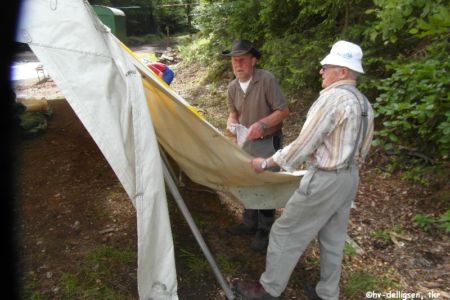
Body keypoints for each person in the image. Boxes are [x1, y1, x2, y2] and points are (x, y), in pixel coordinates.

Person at [235, 40, 374, 300]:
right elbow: (363, 148)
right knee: (333, 240)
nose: (321, 71)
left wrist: (266, 163)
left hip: (325, 179)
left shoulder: (333, 99)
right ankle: (327, 293)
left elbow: (303, 144)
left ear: (343, 72)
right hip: (350, 178)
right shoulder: (364, 104)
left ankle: (268, 289)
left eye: (327, 67)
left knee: (285, 232)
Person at [222, 39, 290, 253]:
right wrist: (231, 123)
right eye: (234, 60)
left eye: (242, 60)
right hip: (246, 143)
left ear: (253, 61)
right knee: (248, 181)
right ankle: (249, 223)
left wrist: (262, 124)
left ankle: (264, 230)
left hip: (268, 141)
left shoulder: (266, 79)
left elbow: (283, 111)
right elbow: (233, 113)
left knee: (267, 184)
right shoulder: (232, 87)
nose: (237, 64)